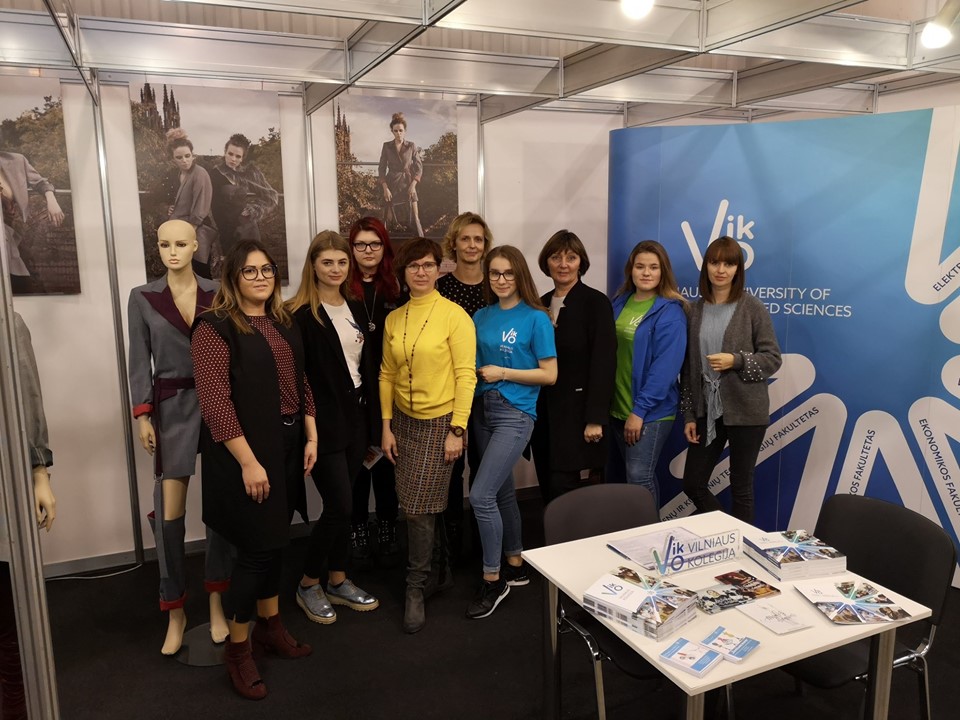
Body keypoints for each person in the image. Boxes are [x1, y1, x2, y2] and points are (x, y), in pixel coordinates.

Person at [192, 240, 315, 700]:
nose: (261, 278)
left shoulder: (283, 321)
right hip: (246, 452)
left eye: (267, 270)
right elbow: (215, 404)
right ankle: (238, 650)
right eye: (250, 271)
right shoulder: (214, 327)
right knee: (256, 552)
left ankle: (271, 626)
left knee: (277, 543)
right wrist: (248, 462)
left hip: (288, 442)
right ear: (233, 277)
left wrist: (311, 435)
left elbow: (301, 380)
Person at [127, 219, 233, 655]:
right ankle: (174, 609)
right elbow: (139, 359)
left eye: (180, 244)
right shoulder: (142, 297)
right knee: (169, 517)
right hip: (171, 406)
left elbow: (232, 349)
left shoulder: (218, 293)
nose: (172, 252)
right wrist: (142, 416)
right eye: (164, 244)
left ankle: (217, 601)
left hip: (218, 402)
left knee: (220, 509)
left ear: (195, 246)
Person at [379, 238, 476, 634]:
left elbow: (466, 376)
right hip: (404, 422)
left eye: (428, 265)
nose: (421, 272)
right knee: (415, 501)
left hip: (441, 423)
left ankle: (415, 585)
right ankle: (441, 570)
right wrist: (386, 426)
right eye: (413, 266)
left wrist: (457, 429)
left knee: (419, 508)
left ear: (439, 269)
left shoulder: (455, 316)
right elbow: (387, 374)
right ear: (402, 272)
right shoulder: (394, 318)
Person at [288, 230, 380, 625]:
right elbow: (297, 378)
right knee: (339, 505)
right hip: (321, 421)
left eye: (342, 262)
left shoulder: (356, 307)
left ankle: (339, 580)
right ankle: (309, 582)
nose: (336, 269)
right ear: (313, 266)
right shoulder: (298, 314)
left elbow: (364, 367)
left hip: (356, 417)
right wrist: (310, 431)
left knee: (348, 505)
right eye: (327, 262)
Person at [466, 246, 556, 619]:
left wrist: (502, 372)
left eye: (508, 273)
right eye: (494, 273)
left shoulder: (536, 318)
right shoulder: (480, 316)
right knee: (502, 492)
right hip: (481, 410)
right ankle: (515, 565)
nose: (501, 280)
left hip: (515, 413)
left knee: (480, 495)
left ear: (520, 275)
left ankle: (493, 579)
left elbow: (550, 374)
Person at [680, 236, 782, 523]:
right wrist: (689, 415)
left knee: (741, 488)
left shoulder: (752, 307)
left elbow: (772, 358)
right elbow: (688, 369)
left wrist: (736, 360)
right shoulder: (695, 310)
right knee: (693, 484)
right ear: (706, 267)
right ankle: (725, 530)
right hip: (707, 412)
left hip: (747, 411)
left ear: (738, 269)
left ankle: (740, 545)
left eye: (729, 264)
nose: (721, 270)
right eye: (715, 263)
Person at [0, 312, 57, 720]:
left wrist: (39, 471)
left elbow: (26, 394)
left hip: (3, 479)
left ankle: (16, 706)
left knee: (8, 612)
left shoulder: (5, 320)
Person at [531, 229, 616, 502]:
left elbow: (604, 363)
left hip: (579, 415)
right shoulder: (539, 305)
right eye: (556, 257)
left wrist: (595, 418)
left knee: (565, 489)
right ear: (547, 262)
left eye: (571, 257)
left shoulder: (596, 303)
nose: (563, 264)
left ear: (581, 262)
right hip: (543, 414)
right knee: (547, 485)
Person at [608, 240, 687, 512]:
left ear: (663, 271)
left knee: (638, 478)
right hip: (618, 407)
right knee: (637, 477)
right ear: (631, 269)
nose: (646, 273)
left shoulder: (670, 312)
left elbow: (665, 369)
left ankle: (649, 535)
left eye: (653, 267)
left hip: (650, 412)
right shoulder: (620, 303)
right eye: (640, 266)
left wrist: (639, 411)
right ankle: (647, 529)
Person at [436, 212, 493, 564]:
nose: (472, 245)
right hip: (450, 392)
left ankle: (486, 544)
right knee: (451, 471)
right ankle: (452, 547)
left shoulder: (497, 286)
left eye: (478, 239)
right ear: (454, 244)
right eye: (465, 238)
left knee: (486, 469)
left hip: (490, 391)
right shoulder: (440, 288)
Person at [347, 217, 401, 563]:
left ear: (384, 248)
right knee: (356, 467)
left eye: (375, 243)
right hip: (354, 394)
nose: (368, 250)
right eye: (360, 244)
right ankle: (357, 528)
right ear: (351, 249)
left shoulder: (396, 288)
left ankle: (387, 526)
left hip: (389, 391)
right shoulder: (341, 289)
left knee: (386, 464)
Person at [0, 150, 65, 293]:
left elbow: (40, 182)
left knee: (23, 283)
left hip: (12, 234)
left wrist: (51, 198)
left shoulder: (16, 160)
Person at [209, 133, 279, 256]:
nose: (233, 159)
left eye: (238, 156)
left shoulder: (249, 173)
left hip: (247, 228)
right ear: (225, 152)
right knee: (232, 263)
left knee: (251, 262)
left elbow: (271, 196)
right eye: (230, 154)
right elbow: (205, 200)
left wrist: (255, 209)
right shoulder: (214, 174)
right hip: (225, 229)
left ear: (242, 158)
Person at [163, 129, 219, 279]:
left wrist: (188, 235)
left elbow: (201, 207)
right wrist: (169, 208)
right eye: (179, 157)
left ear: (193, 155)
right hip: (179, 230)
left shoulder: (200, 173)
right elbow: (170, 198)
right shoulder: (177, 175)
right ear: (173, 159)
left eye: (187, 156)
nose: (184, 160)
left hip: (196, 231)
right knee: (184, 275)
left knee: (200, 272)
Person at [378, 112, 424, 237]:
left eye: (401, 130)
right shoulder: (387, 146)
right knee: (388, 219)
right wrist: (385, 188)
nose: (398, 133)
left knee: (415, 217)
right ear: (392, 131)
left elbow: (419, 168)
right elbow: (381, 169)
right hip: (391, 184)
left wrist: (413, 185)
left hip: (408, 183)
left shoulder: (411, 146)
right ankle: (386, 245)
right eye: (396, 131)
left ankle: (420, 242)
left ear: (405, 131)